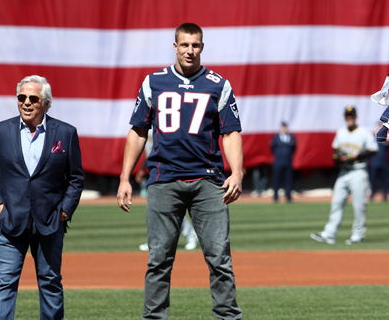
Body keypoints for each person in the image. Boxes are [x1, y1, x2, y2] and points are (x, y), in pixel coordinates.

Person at [116, 23, 243, 320]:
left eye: (195, 45)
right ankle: (154, 317)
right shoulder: (154, 82)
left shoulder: (217, 83)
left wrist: (236, 172)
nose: (190, 51)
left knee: (219, 259)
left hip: (208, 180)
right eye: (184, 45)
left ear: (202, 47)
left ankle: (228, 316)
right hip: (164, 179)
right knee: (158, 259)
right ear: (175, 46)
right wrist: (124, 178)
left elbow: (231, 132)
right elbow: (137, 130)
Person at [0, 75, 84, 320]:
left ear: (46, 103)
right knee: (5, 283)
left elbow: (76, 177)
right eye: (21, 97)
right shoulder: (0, 131)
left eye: (33, 98)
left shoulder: (66, 133)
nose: (26, 103)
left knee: (50, 283)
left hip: (50, 222)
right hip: (10, 221)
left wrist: (65, 211)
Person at [310, 106, 378, 245]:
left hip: (358, 172)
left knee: (359, 205)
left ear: (355, 116)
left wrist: (355, 156)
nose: (349, 117)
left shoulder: (364, 132)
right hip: (343, 172)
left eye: (351, 115)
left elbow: (373, 150)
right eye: (347, 115)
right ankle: (329, 234)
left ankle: (357, 235)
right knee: (336, 202)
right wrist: (337, 158)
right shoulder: (341, 132)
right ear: (345, 117)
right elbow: (335, 150)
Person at [270, 121, 296, 203]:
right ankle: (275, 197)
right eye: (283, 127)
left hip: (288, 162)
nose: (284, 129)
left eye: (286, 127)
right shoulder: (276, 138)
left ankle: (288, 196)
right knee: (276, 180)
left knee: (288, 180)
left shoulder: (291, 137)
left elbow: (294, 149)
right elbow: (272, 148)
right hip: (278, 162)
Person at [369, 123, 389, 201]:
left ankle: (385, 195)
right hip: (374, 162)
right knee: (372, 180)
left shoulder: (385, 138)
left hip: (384, 162)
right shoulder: (371, 138)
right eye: (377, 127)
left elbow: (388, 146)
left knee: (384, 180)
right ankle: (372, 194)